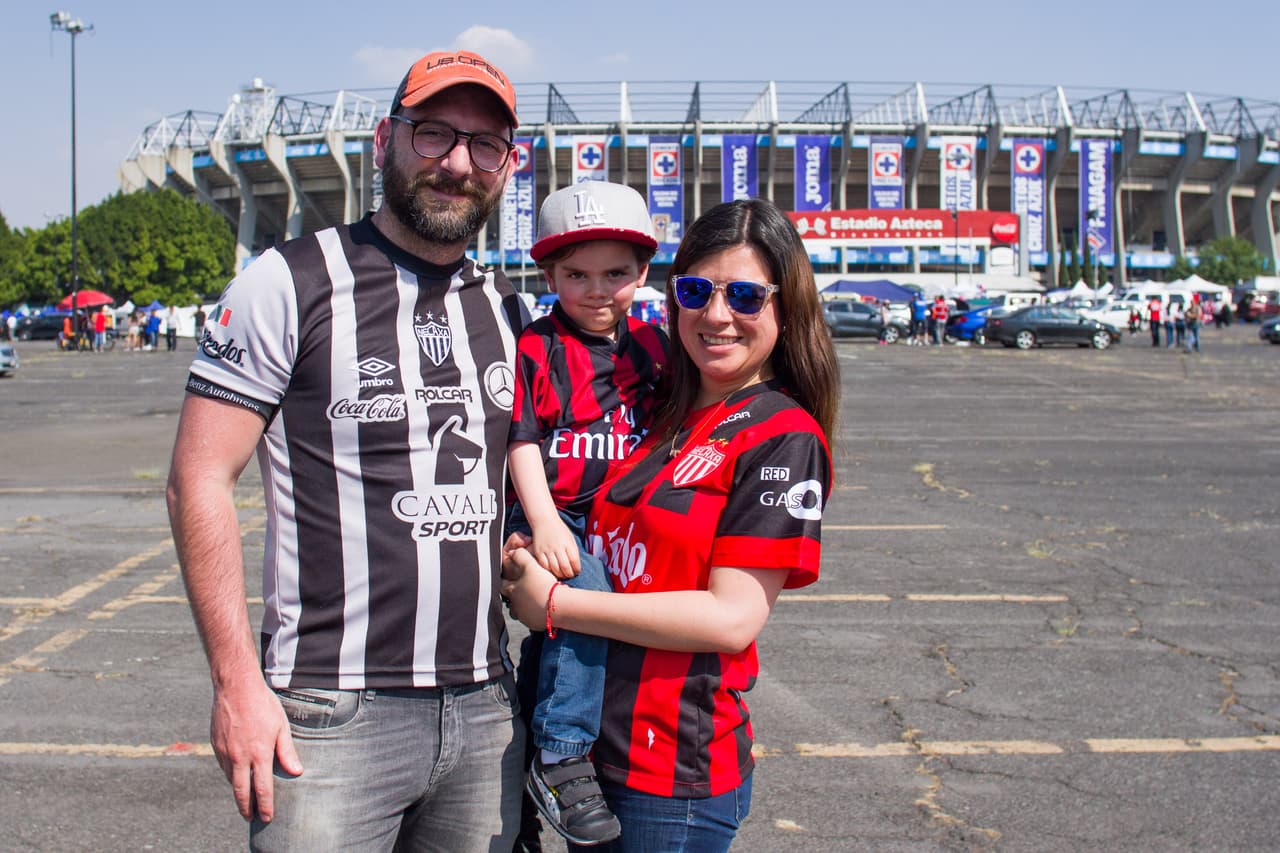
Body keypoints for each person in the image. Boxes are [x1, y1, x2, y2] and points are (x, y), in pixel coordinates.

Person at [167, 49, 528, 850]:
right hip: (330, 712)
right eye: (433, 133)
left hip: (486, 707)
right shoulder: (288, 281)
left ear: (507, 166)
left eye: (485, 144)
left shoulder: (509, 309)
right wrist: (235, 682)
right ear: (383, 140)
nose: (457, 163)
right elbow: (199, 477)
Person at [502, 198, 838, 852]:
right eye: (697, 291)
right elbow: (583, 518)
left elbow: (730, 619)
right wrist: (528, 539)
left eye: (745, 294)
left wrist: (560, 604)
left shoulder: (780, 434)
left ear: (786, 304)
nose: (716, 314)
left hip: (671, 771)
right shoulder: (658, 415)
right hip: (600, 758)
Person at [509, 181, 668, 846]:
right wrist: (542, 522)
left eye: (616, 274)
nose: (597, 290)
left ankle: (526, 768)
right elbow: (521, 438)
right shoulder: (536, 347)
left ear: (643, 273)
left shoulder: (657, 348)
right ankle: (561, 752)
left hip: (626, 521)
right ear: (548, 273)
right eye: (575, 274)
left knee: (571, 638)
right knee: (587, 594)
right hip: (566, 515)